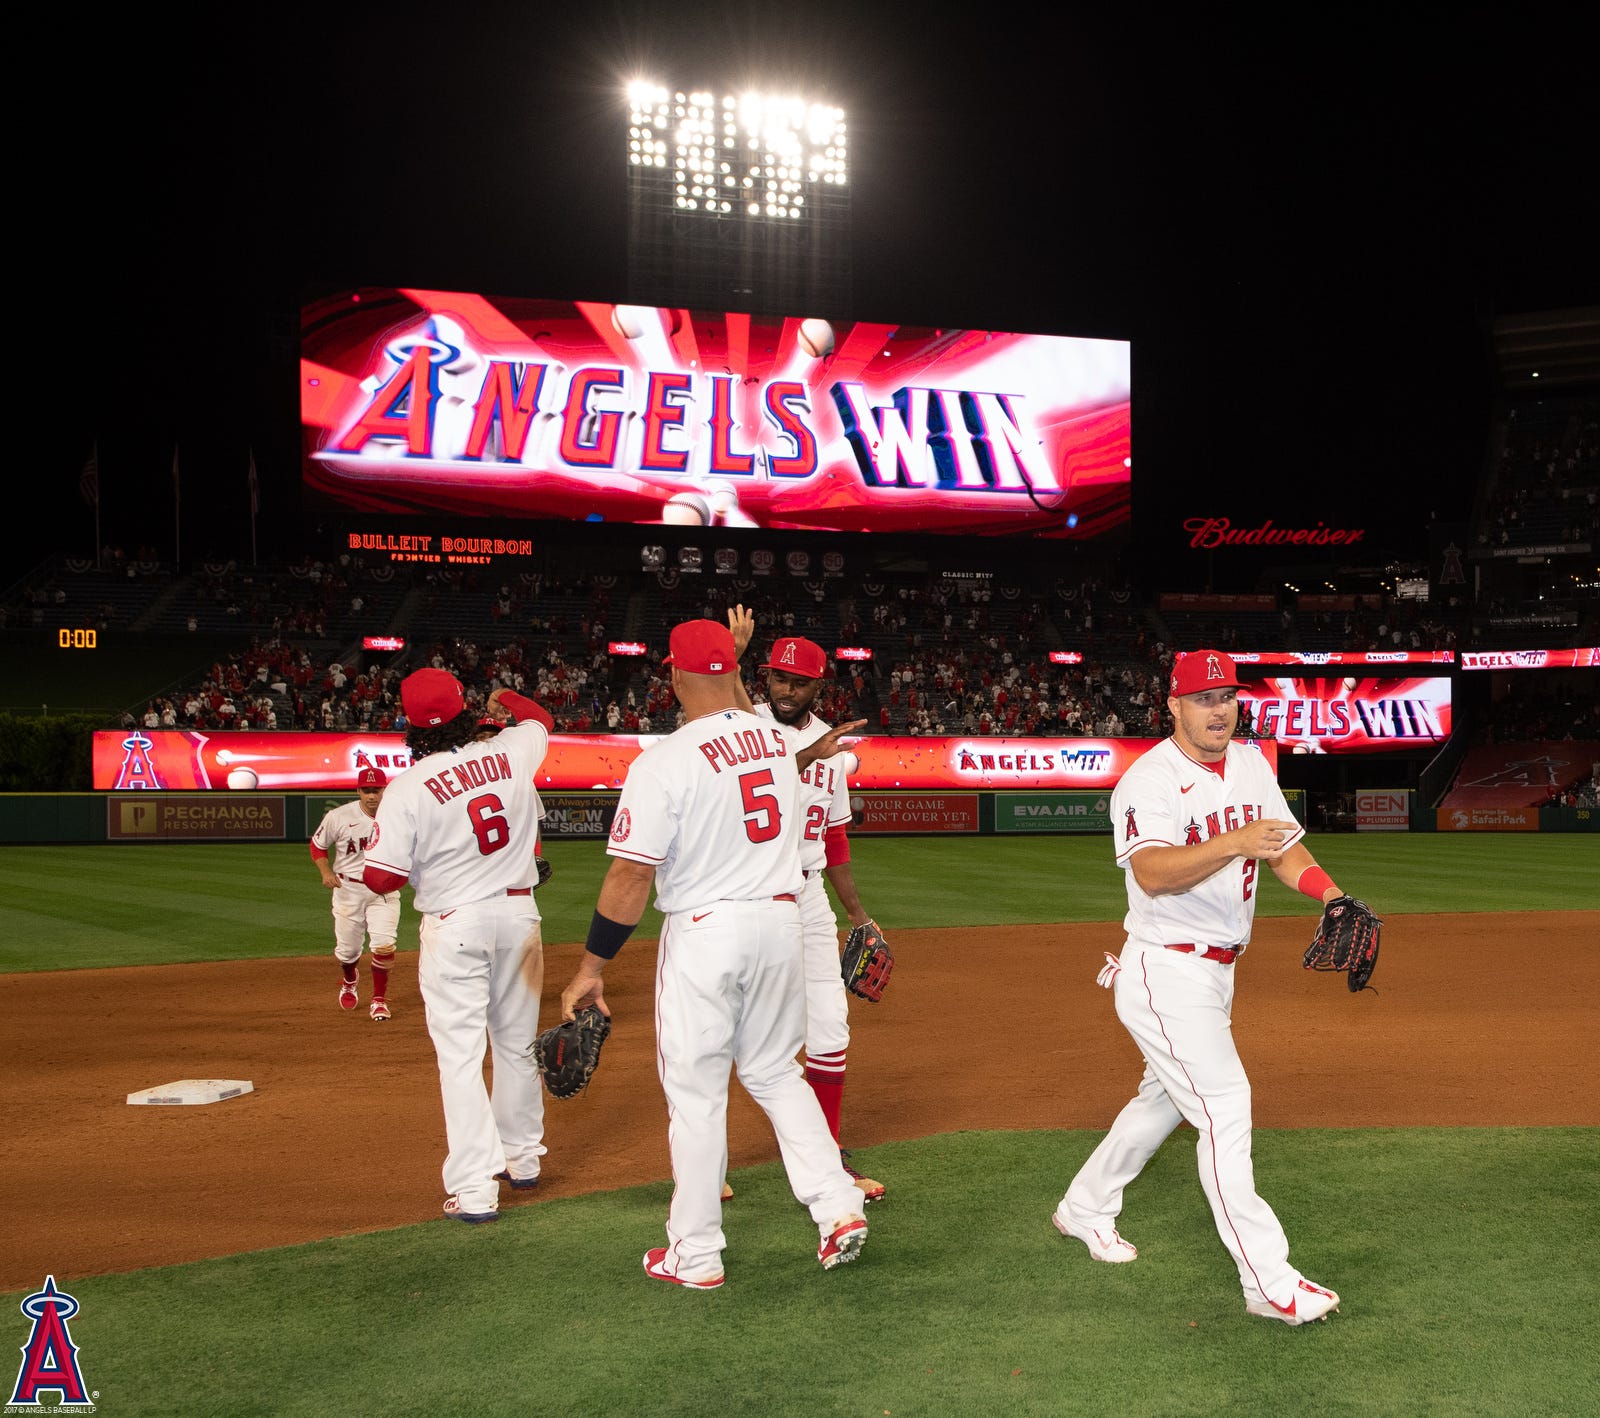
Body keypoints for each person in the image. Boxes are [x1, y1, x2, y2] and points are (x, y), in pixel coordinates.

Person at [556, 619, 869, 1287]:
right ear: (735, 672)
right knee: (776, 1072)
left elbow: (630, 877)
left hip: (707, 930)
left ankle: (695, 1254)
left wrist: (590, 968)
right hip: (783, 922)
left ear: (672, 676)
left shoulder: (665, 760)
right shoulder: (776, 744)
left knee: (697, 1093)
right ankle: (837, 1207)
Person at [1054, 648, 1358, 1326]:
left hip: (1216, 971)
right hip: (1165, 969)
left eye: (1227, 697)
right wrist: (1235, 840)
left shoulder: (1250, 762)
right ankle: (1267, 1282)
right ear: (1174, 705)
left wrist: (1331, 896)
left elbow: (1282, 845)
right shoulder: (1150, 781)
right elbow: (1154, 875)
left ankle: (1084, 1206)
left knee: (1162, 1102)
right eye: (1204, 698)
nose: (1219, 709)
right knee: (1225, 1106)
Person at [362, 668, 554, 1223]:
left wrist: (422, 857)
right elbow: (540, 720)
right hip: (520, 915)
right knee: (517, 1044)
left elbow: (380, 879)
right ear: (466, 711)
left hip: (456, 924)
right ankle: (522, 1159)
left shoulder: (407, 788)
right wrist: (508, 698)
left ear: (409, 725)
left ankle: (474, 1189)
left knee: (461, 1059)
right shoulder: (512, 750)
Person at [726, 610, 884, 1203]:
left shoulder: (832, 748)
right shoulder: (745, 728)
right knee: (722, 1032)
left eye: (799, 681)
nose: (786, 689)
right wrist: (735, 661)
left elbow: (835, 838)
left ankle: (827, 1153)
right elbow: (732, 726)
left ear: (820, 687)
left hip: (809, 895)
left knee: (830, 1030)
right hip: (748, 894)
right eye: (778, 678)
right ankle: (704, 1159)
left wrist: (859, 915)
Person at [309, 767, 401, 1021]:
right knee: (347, 953)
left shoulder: (398, 815)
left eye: (377, 790)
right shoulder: (339, 816)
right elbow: (317, 846)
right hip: (347, 890)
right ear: (358, 791)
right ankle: (350, 978)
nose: (372, 796)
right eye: (367, 790)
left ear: (385, 790)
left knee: (384, 945)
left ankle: (379, 1000)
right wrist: (326, 871)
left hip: (383, 891)